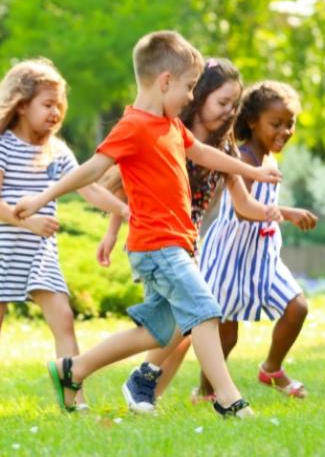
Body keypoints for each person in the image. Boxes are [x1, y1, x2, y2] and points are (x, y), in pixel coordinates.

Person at [13, 31, 280, 418]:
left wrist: (249, 168)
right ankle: (228, 398)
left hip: (175, 243)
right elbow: (92, 169)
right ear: (165, 82)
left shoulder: (170, 125)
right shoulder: (134, 126)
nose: (191, 97)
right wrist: (39, 199)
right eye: (189, 87)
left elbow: (204, 152)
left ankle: (74, 369)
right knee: (204, 310)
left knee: (158, 333)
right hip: (157, 246)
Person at [0, 59, 128, 414]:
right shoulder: (4, 146)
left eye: (59, 105)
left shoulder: (57, 151)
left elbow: (89, 189)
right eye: (47, 104)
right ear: (22, 105)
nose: (55, 112)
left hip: (39, 254)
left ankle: (75, 402)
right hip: (0, 250)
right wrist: (28, 222)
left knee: (64, 319)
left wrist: (125, 211)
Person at [95, 58, 282, 411]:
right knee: (193, 316)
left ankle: (140, 389)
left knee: (177, 330)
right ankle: (208, 395)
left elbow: (243, 204)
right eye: (222, 103)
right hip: (157, 239)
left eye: (234, 105)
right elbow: (126, 187)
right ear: (199, 96)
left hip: (185, 240)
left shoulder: (224, 149)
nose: (229, 113)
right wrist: (111, 232)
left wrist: (276, 212)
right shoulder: (168, 132)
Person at [196, 80, 318, 401]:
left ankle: (271, 369)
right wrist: (287, 213)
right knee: (226, 334)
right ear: (253, 121)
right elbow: (242, 210)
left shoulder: (269, 160)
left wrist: (280, 215)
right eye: (275, 124)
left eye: (290, 124)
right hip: (230, 254)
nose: (285, 131)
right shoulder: (245, 158)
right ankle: (206, 391)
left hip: (262, 255)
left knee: (297, 308)